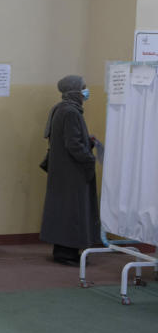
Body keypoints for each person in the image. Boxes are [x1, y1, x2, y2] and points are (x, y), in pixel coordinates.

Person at [39, 75, 100, 266]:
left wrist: (87, 140)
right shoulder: (71, 112)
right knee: (73, 212)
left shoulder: (60, 109)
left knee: (63, 210)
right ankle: (68, 253)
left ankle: (62, 250)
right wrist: (89, 158)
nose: (86, 91)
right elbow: (73, 144)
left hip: (62, 170)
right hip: (72, 171)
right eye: (83, 87)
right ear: (74, 90)